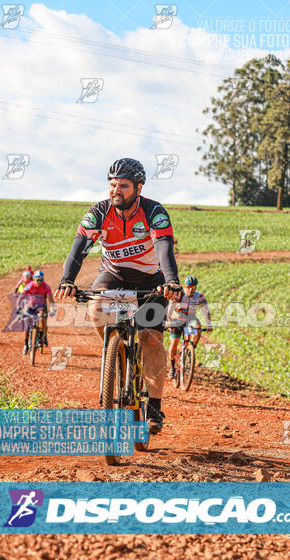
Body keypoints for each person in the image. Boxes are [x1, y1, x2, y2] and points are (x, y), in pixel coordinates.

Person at [54, 158, 182, 434]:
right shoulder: (99, 212)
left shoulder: (154, 211)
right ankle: (119, 352)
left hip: (152, 281)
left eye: (123, 185)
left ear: (138, 188)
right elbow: (79, 248)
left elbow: (164, 247)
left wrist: (171, 281)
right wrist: (67, 280)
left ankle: (154, 407)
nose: (116, 190)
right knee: (95, 307)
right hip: (114, 276)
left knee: (151, 338)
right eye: (112, 185)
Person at [166, 275, 213, 379]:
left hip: (190, 320)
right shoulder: (179, 295)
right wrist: (168, 321)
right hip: (177, 320)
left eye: (193, 288)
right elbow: (170, 308)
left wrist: (209, 324)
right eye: (188, 287)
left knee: (198, 327)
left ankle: (191, 349)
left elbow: (206, 311)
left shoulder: (199, 296)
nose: (190, 290)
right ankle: (172, 367)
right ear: (185, 286)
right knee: (174, 343)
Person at [19, 270, 56, 355]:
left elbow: (50, 300)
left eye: (41, 280)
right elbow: (22, 297)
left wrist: (53, 309)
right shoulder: (29, 286)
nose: (39, 282)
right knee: (27, 326)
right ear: (34, 279)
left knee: (43, 318)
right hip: (30, 306)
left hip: (41, 307)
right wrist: (20, 308)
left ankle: (41, 337)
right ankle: (26, 344)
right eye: (37, 280)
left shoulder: (46, 287)